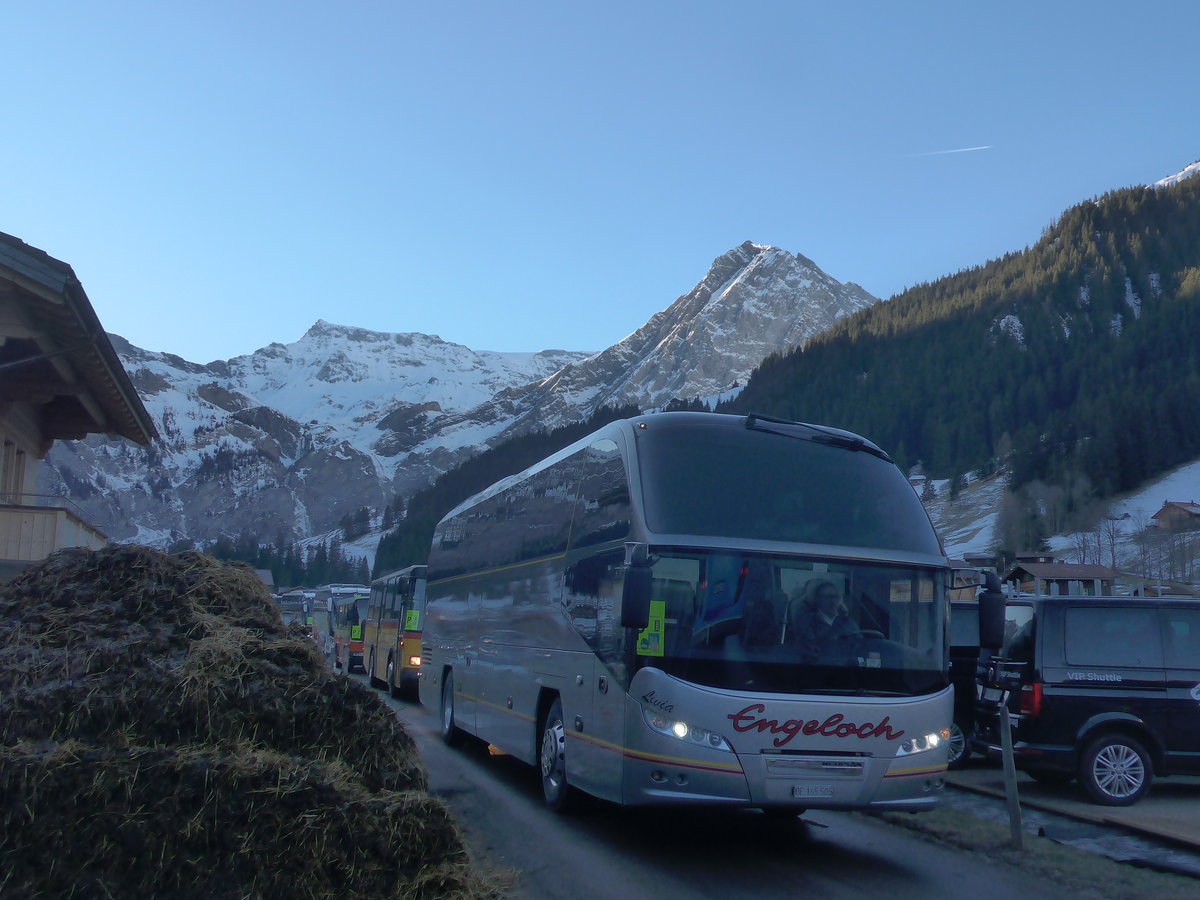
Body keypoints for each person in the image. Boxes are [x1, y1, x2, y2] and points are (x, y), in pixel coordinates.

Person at [790, 579, 858, 655]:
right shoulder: (807, 623)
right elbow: (813, 647)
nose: (833, 601)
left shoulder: (849, 623)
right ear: (818, 600)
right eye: (828, 597)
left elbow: (861, 649)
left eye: (836, 597)